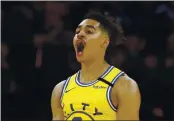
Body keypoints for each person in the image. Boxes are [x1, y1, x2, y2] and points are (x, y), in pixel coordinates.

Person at [51, 12, 141, 120]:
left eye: (89, 31)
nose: (80, 34)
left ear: (105, 42)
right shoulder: (60, 89)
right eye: (77, 32)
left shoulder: (123, 86)